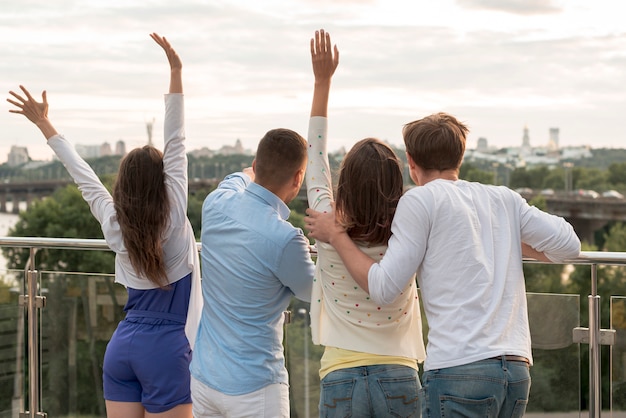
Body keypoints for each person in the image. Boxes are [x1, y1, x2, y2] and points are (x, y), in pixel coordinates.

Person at [306, 112, 581, 417]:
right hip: (515, 369)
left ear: (411, 162)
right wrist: (505, 236)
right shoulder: (503, 199)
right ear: (459, 157)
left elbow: (383, 288)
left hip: (459, 369)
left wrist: (336, 234)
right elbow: (568, 248)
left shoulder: (420, 200)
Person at [7, 33, 201, 418]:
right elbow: (175, 138)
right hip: (167, 348)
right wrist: (176, 71)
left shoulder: (114, 223)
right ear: (164, 180)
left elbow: (81, 173)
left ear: (123, 185)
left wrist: (46, 124)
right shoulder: (175, 211)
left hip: (122, 346)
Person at [305, 29, 426, 417]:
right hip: (400, 371)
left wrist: (322, 82)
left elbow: (315, 154)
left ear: (347, 182)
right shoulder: (411, 228)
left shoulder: (326, 222)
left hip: (341, 372)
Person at [189, 125, 315, 413]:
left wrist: (250, 173)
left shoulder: (215, 204)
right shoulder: (285, 238)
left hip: (204, 377)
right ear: (298, 178)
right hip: (255, 387)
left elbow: (236, 178)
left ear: (257, 165)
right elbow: (317, 292)